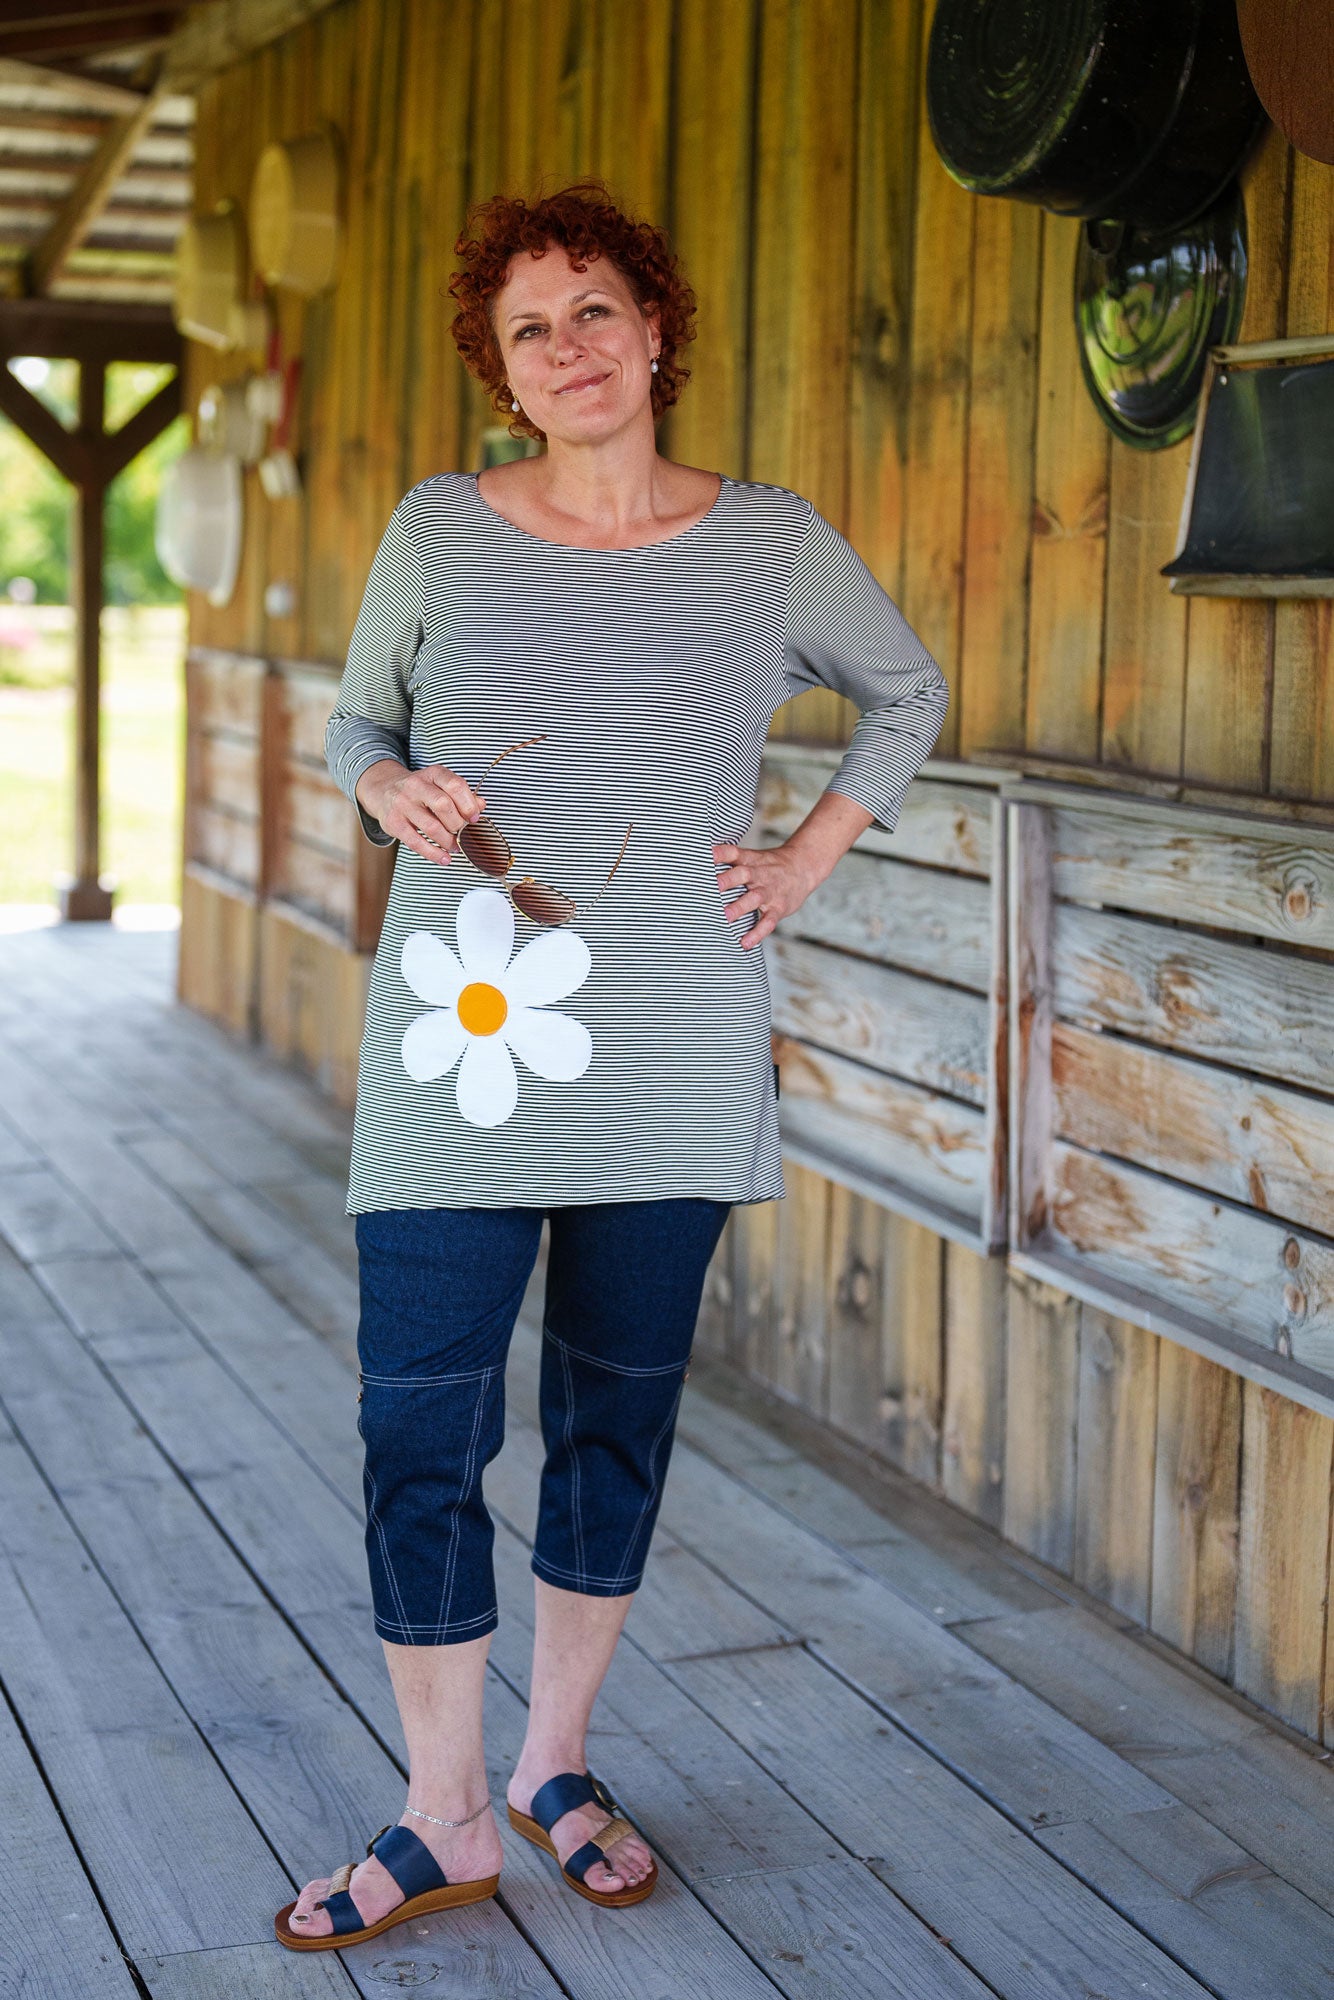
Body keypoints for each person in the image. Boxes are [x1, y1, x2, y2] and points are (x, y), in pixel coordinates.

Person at [277, 181, 947, 1952]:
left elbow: (909, 693)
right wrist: (382, 786)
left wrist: (804, 860)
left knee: (611, 1424)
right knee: (416, 1425)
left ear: (655, 330)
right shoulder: (439, 528)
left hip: (669, 1045)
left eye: (593, 310)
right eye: (527, 328)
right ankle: (443, 1811)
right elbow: (356, 716)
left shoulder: (769, 543)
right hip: (454, 1048)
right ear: (499, 376)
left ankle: (554, 1764)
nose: (567, 348)